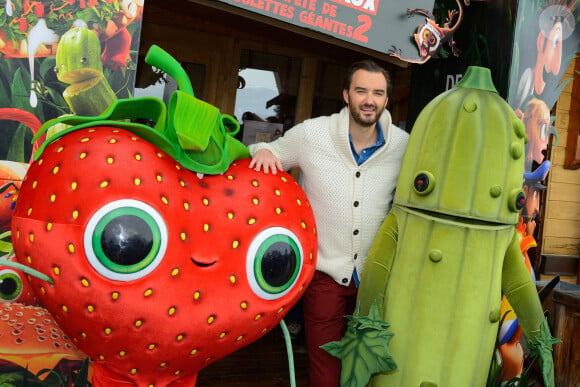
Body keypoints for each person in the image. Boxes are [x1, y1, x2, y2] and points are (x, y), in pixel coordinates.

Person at [248, 59, 409, 386]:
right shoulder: (313, 133)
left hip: (377, 278)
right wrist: (263, 149)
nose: (369, 100)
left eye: (378, 93)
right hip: (324, 272)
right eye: (361, 90)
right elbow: (267, 149)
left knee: (368, 364)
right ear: (346, 95)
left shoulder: (403, 145)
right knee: (324, 364)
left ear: (386, 101)